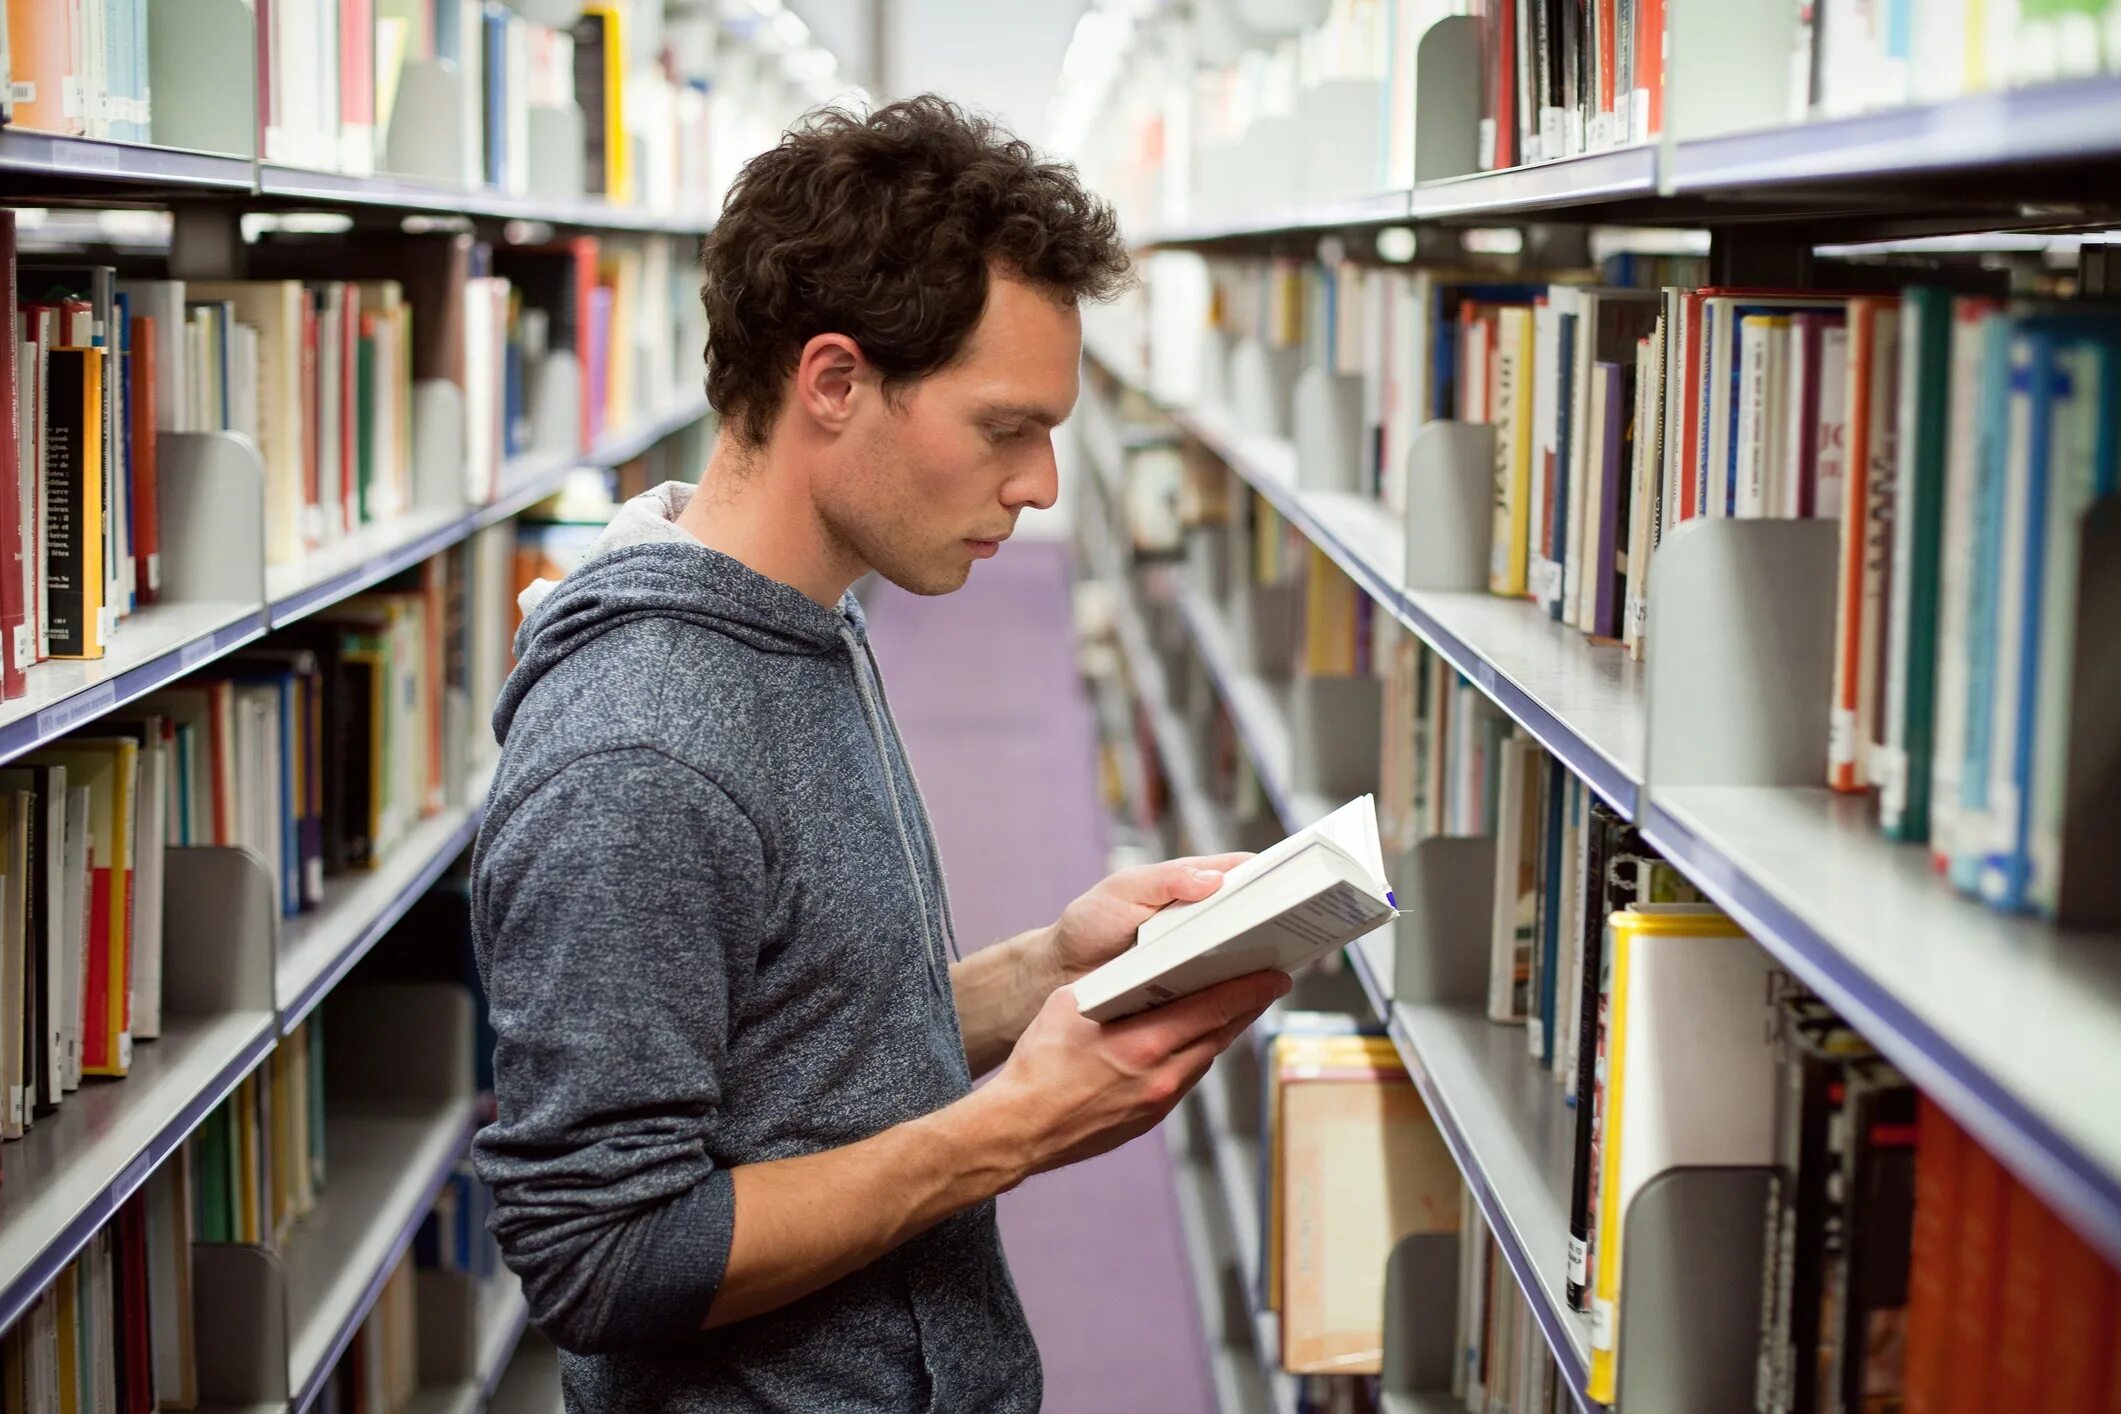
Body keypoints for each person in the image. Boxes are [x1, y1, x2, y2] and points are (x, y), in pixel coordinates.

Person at [470, 95, 1288, 1412]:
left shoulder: (807, 621)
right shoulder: (638, 755)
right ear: (835, 382)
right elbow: (600, 1257)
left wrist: (1048, 967)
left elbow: (785, 1057)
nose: (1040, 485)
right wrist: (1008, 1129)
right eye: (1003, 426)